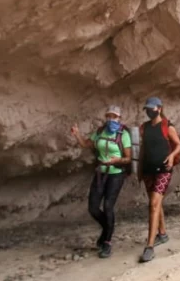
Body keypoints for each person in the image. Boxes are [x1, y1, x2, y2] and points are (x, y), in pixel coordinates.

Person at [70, 105, 131, 259]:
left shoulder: (123, 134)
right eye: (109, 116)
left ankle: (107, 242)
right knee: (93, 208)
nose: (111, 119)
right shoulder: (99, 131)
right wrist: (77, 134)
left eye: (114, 117)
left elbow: (128, 158)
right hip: (100, 173)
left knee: (108, 206)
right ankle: (107, 229)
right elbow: (85, 144)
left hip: (116, 174)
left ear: (119, 118)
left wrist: (116, 160)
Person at [138, 97, 180, 263]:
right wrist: (139, 170)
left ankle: (149, 246)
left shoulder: (167, 126)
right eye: (147, 109)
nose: (149, 111)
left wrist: (172, 156)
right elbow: (143, 150)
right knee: (155, 202)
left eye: (152, 108)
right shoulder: (144, 128)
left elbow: (179, 145)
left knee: (154, 204)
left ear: (159, 108)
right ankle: (162, 234)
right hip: (148, 170)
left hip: (164, 170)